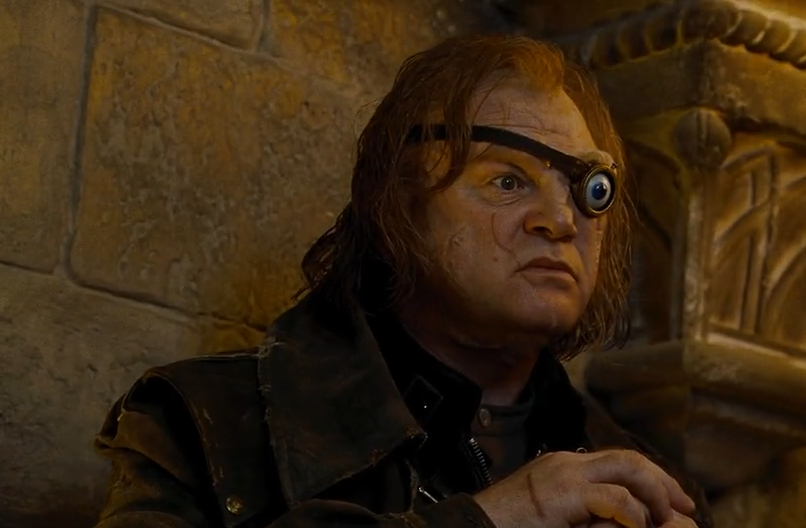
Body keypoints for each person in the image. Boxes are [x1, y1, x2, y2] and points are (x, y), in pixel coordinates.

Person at [91, 34, 713, 528]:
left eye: (589, 192)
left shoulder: (656, 489)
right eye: (507, 180)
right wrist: (500, 515)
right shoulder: (208, 424)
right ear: (398, 205)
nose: (561, 220)